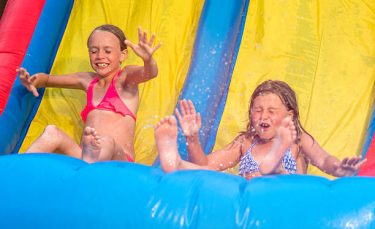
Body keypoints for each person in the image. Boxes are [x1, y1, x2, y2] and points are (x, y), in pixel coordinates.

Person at [155, 80, 366, 179]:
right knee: (218, 177)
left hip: (282, 202)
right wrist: (192, 138)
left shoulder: (298, 141)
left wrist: (339, 168)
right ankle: (176, 163)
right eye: (257, 110)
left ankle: (274, 165)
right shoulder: (246, 142)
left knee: (282, 176)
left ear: (289, 115)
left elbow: (324, 160)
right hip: (250, 207)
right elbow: (207, 165)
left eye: (271, 111)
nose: (263, 116)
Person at [17, 24, 161, 163]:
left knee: (106, 141)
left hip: (118, 161)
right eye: (94, 51)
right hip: (86, 154)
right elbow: (48, 79)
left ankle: (88, 168)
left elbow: (149, 73)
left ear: (123, 55)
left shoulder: (125, 79)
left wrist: (148, 60)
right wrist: (33, 81)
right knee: (51, 132)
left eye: (108, 51)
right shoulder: (87, 80)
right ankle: (18, 170)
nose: (100, 56)